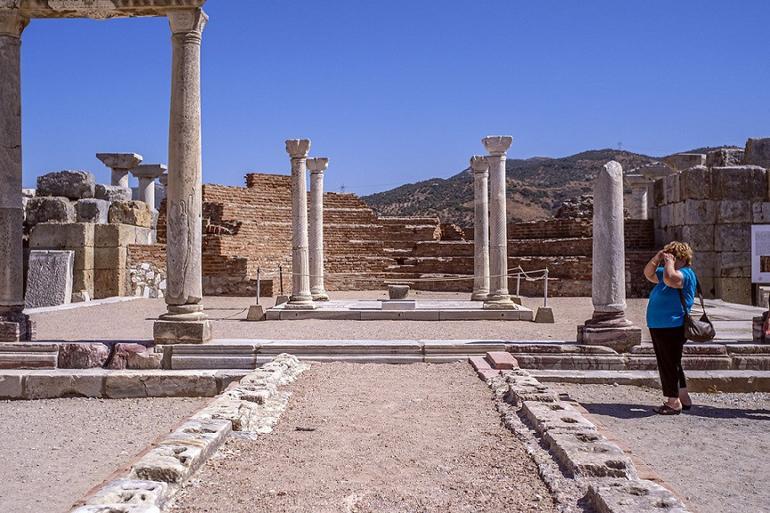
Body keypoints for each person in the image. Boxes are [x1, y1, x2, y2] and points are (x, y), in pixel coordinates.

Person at [643, 241, 697, 415]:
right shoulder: (668, 271)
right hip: (661, 325)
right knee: (672, 363)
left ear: (680, 257)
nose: (667, 258)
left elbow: (670, 279)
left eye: (671, 255)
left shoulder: (685, 274)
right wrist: (657, 258)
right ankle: (683, 398)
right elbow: (648, 274)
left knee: (668, 364)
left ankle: (673, 402)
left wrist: (669, 264)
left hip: (672, 325)